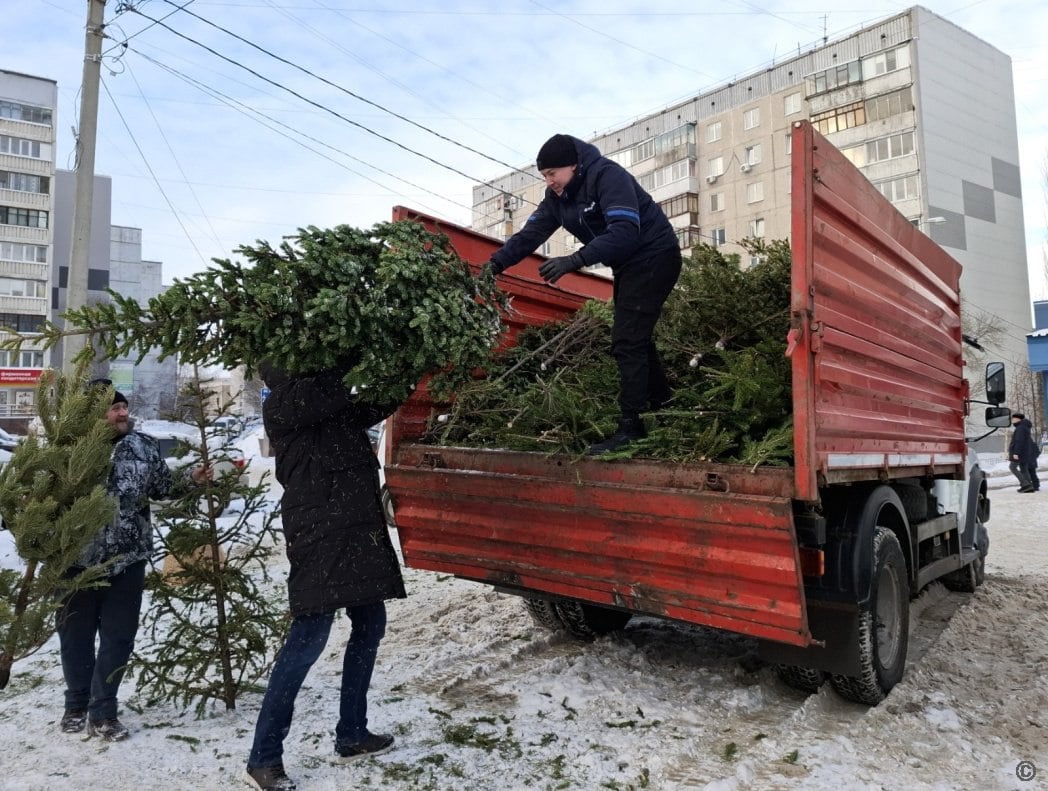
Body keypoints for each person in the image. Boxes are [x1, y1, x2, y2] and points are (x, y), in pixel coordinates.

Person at [245, 363, 406, 791]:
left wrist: (406, 369)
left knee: (371, 623)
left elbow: (367, 405)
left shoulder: (328, 403)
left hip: (355, 530)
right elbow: (337, 388)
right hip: (321, 535)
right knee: (308, 637)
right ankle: (264, 757)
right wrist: (352, 352)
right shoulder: (287, 402)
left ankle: (352, 733)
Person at [485, 133, 683, 454]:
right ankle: (665, 405)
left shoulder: (607, 176)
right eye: (544, 176)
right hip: (629, 266)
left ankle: (632, 426)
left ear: (574, 166)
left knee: (626, 340)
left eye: (552, 174)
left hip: (654, 255)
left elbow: (624, 233)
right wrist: (493, 265)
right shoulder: (557, 199)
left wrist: (574, 260)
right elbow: (529, 235)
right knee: (636, 339)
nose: (549, 182)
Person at [58, 382, 209, 741]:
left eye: (124, 406)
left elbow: (162, 487)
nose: (123, 412)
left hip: (128, 560)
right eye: (114, 408)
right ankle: (76, 704)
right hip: (76, 562)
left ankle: (103, 711)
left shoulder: (142, 447)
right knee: (75, 637)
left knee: (118, 638)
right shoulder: (67, 452)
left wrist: (192, 478)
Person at [1009, 411, 1039, 493]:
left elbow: (1019, 441)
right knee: (1024, 469)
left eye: (1013, 418)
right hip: (1025, 453)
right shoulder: (1024, 427)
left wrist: (1016, 453)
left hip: (1020, 453)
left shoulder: (1020, 428)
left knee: (1012, 467)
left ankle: (1025, 484)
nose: (1012, 420)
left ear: (1018, 419)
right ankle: (1028, 486)